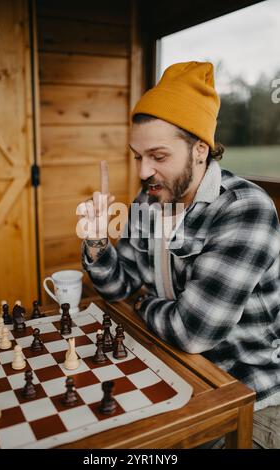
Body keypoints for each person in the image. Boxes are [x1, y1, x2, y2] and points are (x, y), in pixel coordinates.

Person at [76, 62, 280, 448]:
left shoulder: (245, 210)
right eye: (138, 156)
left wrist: (141, 303)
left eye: (158, 156)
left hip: (250, 396)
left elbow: (191, 332)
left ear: (200, 150)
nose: (143, 171)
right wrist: (97, 241)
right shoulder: (150, 199)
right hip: (173, 370)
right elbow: (118, 286)